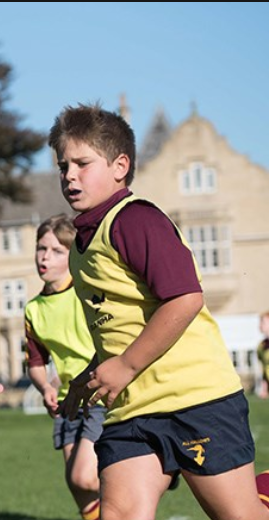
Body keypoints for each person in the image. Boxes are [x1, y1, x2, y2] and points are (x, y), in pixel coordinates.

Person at [50, 102, 269, 520]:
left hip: (196, 399)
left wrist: (127, 365)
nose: (69, 175)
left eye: (82, 163)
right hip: (131, 410)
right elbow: (123, 325)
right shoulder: (81, 246)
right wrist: (92, 373)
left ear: (120, 165)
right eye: (63, 166)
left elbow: (186, 299)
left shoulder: (135, 220)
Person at [24, 214, 102, 520]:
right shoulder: (33, 309)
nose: (45, 257)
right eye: (41, 249)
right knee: (79, 488)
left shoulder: (87, 292)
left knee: (85, 476)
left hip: (100, 394)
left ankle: (151, 475)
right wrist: (44, 387)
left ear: (73, 254)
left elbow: (109, 344)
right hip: (69, 403)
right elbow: (36, 361)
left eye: (57, 251)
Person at [258, 311, 269, 399]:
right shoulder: (261, 346)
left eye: (263, 322)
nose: (260, 325)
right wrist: (264, 389)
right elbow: (264, 369)